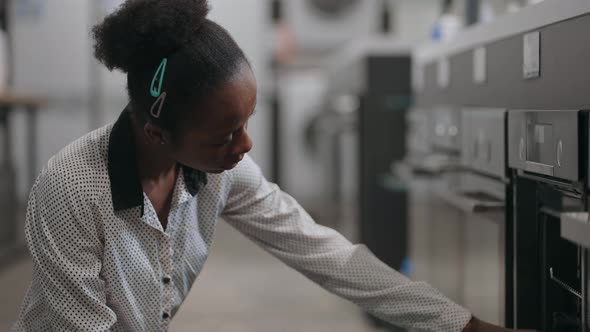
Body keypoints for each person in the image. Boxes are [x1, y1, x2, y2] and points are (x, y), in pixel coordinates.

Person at [12, 1, 532, 331]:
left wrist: (461, 326)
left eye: (247, 120)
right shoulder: (73, 190)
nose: (245, 144)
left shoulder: (220, 172)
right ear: (157, 133)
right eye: (225, 134)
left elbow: (327, 254)